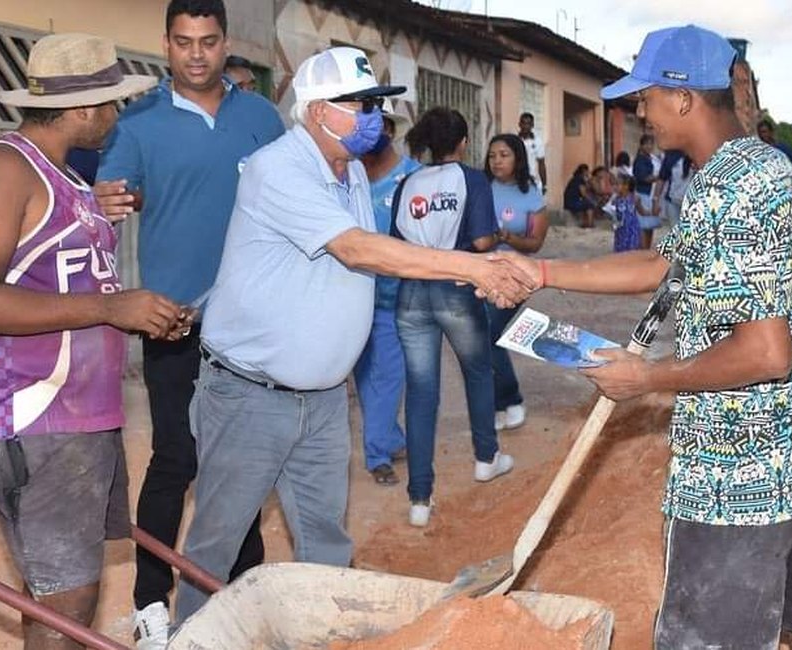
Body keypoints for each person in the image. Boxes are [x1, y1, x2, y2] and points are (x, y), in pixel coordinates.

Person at [503, 24, 792, 649]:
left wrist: (650, 378)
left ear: (684, 99)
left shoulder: (727, 191)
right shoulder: (757, 167)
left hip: (734, 481)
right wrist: (544, 272)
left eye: (648, 98)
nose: (642, 113)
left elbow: (767, 351)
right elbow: (662, 265)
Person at [177, 46, 534, 621]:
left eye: (376, 104)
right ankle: (190, 634)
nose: (374, 116)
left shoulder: (345, 173)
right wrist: (472, 267)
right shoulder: (280, 168)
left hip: (320, 400)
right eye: (361, 104)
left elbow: (372, 263)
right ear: (318, 111)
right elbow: (358, 249)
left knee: (324, 540)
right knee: (216, 545)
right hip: (250, 395)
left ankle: (320, 632)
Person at [0, 33, 187, 650]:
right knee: (67, 599)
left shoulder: (62, 176)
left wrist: (138, 309)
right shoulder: (4, 168)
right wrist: (112, 306)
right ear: (83, 110)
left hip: (76, 421)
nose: (117, 115)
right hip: (38, 418)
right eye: (112, 103)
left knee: (59, 589)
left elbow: (52, 268)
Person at [93, 1, 286, 645]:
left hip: (252, 320)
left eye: (207, 41)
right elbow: (104, 204)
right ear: (167, 45)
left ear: (225, 42)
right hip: (173, 320)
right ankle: (151, 604)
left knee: (241, 461)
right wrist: (104, 200)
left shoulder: (260, 117)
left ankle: (244, 592)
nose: (196, 54)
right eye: (183, 42)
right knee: (176, 456)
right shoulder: (139, 121)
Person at [390, 110, 519, 529]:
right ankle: (486, 457)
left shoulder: (408, 183)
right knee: (478, 371)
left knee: (422, 392)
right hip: (456, 288)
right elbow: (482, 240)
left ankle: (419, 499)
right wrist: (500, 236)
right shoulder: (471, 180)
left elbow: (397, 246)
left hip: (411, 293)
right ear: (463, 142)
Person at [354, 107, 422, 486]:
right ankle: (389, 437)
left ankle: (377, 453)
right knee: (365, 374)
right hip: (351, 294)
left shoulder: (413, 178)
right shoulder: (347, 173)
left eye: (379, 124)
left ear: (392, 130)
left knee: (389, 374)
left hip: (397, 297)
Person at [485, 133, 549, 431]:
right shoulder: (480, 188)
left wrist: (508, 238)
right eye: (492, 155)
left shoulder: (531, 194)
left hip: (517, 275)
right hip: (482, 272)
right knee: (483, 337)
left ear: (518, 158)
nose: (497, 161)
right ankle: (498, 405)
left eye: (504, 155)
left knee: (490, 331)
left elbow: (535, 243)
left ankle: (511, 399)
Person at [657, 149, 692, 224]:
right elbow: (661, 179)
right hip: (672, 201)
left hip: (690, 203)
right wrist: (656, 200)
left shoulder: (698, 155)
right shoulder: (672, 156)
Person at [610, 174, 643, 253]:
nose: (615, 187)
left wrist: (651, 213)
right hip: (621, 228)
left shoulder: (634, 198)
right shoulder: (615, 199)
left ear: (626, 186)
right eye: (614, 184)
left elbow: (641, 211)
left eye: (618, 184)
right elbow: (613, 214)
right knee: (621, 247)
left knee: (632, 247)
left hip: (632, 228)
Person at [518, 112, 547, 191]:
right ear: (519, 124)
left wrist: (544, 184)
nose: (526, 126)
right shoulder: (515, 140)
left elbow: (541, 164)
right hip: (517, 181)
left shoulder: (538, 141)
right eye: (523, 123)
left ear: (532, 125)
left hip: (533, 181)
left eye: (528, 124)